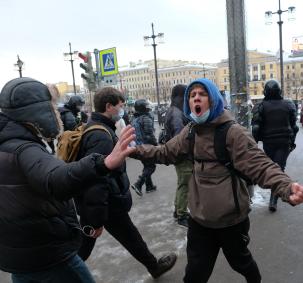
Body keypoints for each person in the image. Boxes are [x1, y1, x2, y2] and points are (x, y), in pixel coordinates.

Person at [136, 78, 303, 283]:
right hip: (199, 220)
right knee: (194, 274)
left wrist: (285, 186)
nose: (196, 98)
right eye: (192, 95)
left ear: (214, 100)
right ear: (188, 103)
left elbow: (260, 165)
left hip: (231, 220)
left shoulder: (233, 132)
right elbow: (165, 152)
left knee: (241, 262)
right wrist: (134, 150)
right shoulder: (190, 131)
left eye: (202, 94)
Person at [0, 77, 136, 283]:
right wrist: (103, 163)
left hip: (19, 253)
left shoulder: (7, 142)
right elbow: (55, 178)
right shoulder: (24, 149)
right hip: (45, 253)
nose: (55, 111)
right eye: (51, 105)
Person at [74, 87, 177, 279]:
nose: (123, 110)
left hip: (107, 202)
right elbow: (96, 179)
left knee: (129, 237)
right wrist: (96, 219)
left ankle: (153, 265)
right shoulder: (100, 135)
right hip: (104, 203)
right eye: (120, 106)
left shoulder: (99, 127)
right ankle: (63, 275)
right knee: (84, 248)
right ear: (109, 106)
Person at [251, 79, 298, 212]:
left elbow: (255, 128)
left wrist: (255, 143)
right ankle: (273, 200)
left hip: (269, 142)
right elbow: (295, 127)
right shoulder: (288, 104)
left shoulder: (260, 106)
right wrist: (292, 141)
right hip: (284, 141)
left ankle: (273, 197)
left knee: (271, 168)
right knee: (279, 169)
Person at [164, 84, 192, 227]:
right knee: (185, 185)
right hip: (182, 156)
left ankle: (177, 211)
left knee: (182, 183)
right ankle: (182, 214)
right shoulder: (176, 113)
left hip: (179, 155)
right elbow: (180, 137)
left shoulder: (173, 110)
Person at [131, 99, 158, 195]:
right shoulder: (145, 118)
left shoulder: (134, 119)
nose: (148, 107)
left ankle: (149, 186)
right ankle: (138, 184)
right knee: (151, 167)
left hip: (137, 147)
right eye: (146, 106)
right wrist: (156, 145)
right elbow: (149, 135)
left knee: (147, 165)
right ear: (143, 108)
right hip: (146, 147)